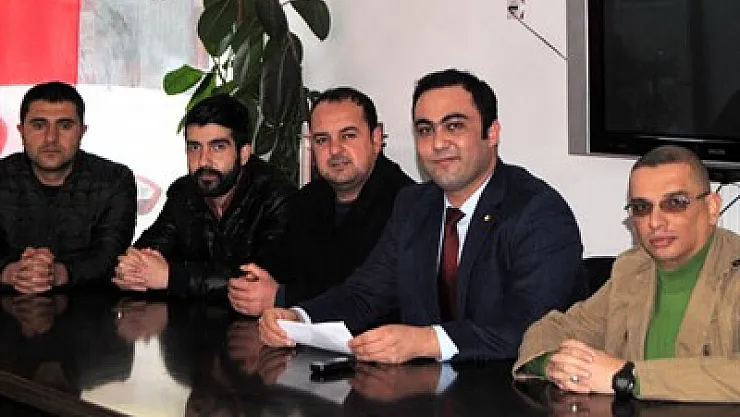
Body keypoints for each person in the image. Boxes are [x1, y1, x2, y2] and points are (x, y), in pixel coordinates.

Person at [259, 69, 583, 363]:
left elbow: (532, 327)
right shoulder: (414, 204)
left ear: (492, 132)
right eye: (425, 130)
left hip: (511, 392)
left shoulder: (538, 213)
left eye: (454, 126)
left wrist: (427, 340)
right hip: (427, 391)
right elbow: (366, 293)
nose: (438, 143)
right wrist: (299, 318)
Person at [513, 145, 740, 402]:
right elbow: (553, 330)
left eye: (674, 203)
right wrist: (553, 364)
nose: (655, 222)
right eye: (641, 207)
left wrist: (628, 377)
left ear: (712, 207)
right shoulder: (632, 270)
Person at [227, 87, 414, 316]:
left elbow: (375, 298)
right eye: (322, 139)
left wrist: (282, 297)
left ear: (376, 139)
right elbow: (273, 264)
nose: (334, 150)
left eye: (348, 136)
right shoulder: (307, 200)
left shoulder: (408, 205)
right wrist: (251, 282)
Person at [113, 94, 296, 298]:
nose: (203, 161)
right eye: (194, 147)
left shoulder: (276, 197)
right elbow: (147, 251)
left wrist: (173, 277)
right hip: (187, 316)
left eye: (217, 147)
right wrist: (131, 269)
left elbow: (258, 281)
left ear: (244, 154)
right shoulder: (184, 193)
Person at [0, 81, 136, 293]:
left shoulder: (115, 180)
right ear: (21, 131)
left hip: (90, 305)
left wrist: (58, 273)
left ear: (82, 131)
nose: (51, 138)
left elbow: (110, 256)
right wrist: (10, 272)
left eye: (64, 126)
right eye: (39, 125)